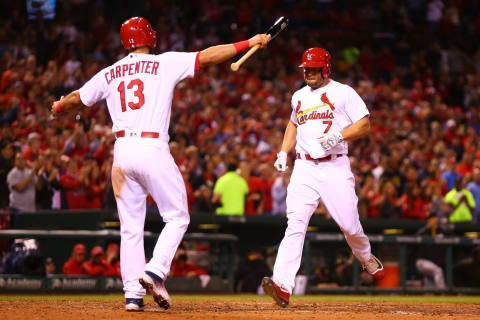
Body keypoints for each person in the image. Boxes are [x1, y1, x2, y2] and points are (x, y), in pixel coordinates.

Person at [50, 16, 269, 312]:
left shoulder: (111, 71)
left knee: (130, 227)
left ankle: (132, 296)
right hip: (151, 146)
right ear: (147, 37)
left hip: (122, 151)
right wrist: (249, 41)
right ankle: (155, 270)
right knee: (177, 215)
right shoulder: (163, 62)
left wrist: (60, 106)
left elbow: (78, 98)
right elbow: (207, 57)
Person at [261, 48, 385, 308]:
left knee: (350, 226)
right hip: (304, 168)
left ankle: (365, 256)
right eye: (306, 68)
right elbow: (293, 123)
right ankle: (282, 285)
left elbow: (365, 124)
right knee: (295, 225)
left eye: (314, 68)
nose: (308, 72)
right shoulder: (298, 96)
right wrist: (284, 151)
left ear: (325, 68)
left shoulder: (343, 92)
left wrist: (339, 135)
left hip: (335, 167)